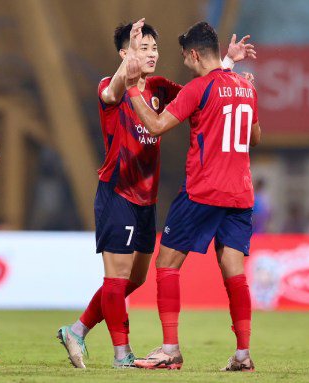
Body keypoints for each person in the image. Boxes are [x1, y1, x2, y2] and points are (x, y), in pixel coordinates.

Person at [56, 19, 255, 369]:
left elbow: (208, 92)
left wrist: (228, 65)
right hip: (118, 191)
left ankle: (77, 329)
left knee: (136, 278)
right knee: (117, 277)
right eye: (141, 47)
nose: (151, 53)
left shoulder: (162, 87)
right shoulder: (110, 85)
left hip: (147, 199)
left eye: (153, 48)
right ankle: (122, 354)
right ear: (123, 53)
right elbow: (114, 91)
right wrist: (127, 68)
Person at [124, 21, 261, 372]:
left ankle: (170, 348)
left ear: (195, 54)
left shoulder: (197, 88)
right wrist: (230, 65)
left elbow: (155, 127)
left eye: (185, 55)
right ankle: (243, 355)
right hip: (241, 194)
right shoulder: (247, 87)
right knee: (234, 272)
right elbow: (253, 138)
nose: (183, 61)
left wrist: (133, 91)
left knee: (166, 264)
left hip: (202, 191)